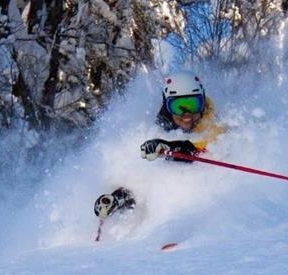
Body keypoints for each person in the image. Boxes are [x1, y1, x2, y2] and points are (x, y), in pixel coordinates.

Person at [94, 70, 224, 219]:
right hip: (169, 209)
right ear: (166, 106)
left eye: (193, 105)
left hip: (205, 201)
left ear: (202, 103)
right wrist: (118, 196)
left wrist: (172, 147)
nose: (186, 115)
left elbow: (208, 151)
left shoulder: (213, 123)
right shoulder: (159, 126)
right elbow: (145, 172)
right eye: (178, 106)